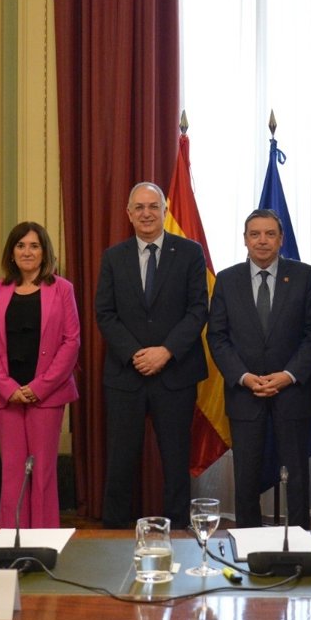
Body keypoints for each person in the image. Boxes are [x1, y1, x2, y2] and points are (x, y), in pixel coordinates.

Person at [95, 182, 209, 528]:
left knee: (175, 461)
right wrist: (135, 354)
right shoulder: (113, 257)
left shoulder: (189, 253)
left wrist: (166, 352)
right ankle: (113, 534)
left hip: (175, 374)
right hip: (125, 375)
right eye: (139, 207)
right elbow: (105, 314)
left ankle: (179, 535)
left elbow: (197, 310)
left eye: (153, 206)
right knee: (120, 461)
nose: (146, 213)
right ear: (129, 214)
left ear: (164, 210)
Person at [207, 209, 311, 529]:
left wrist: (288, 376)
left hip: (293, 392)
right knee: (246, 476)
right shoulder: (227, 280)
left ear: (281, 239)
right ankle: (247, 541)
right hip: (245, 393)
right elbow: (217, 337)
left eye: (270, 234)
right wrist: (244, 377)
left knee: (296, 476)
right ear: (245, 239)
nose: (262, 240)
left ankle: (298, 540)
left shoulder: (305, 276)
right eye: (255, 234)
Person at [0, 222, 81, 529]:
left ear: (44, 252)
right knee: (12, 469)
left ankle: (44, 540)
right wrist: (6, 386)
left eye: (34, 246)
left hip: (47, 395)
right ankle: (11, 539)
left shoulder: (62, 289)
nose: (27, 252)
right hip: (6, 395)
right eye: (21, 245)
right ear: (11, 253)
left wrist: (40, 387)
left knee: (43, 470)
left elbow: (71, 341)